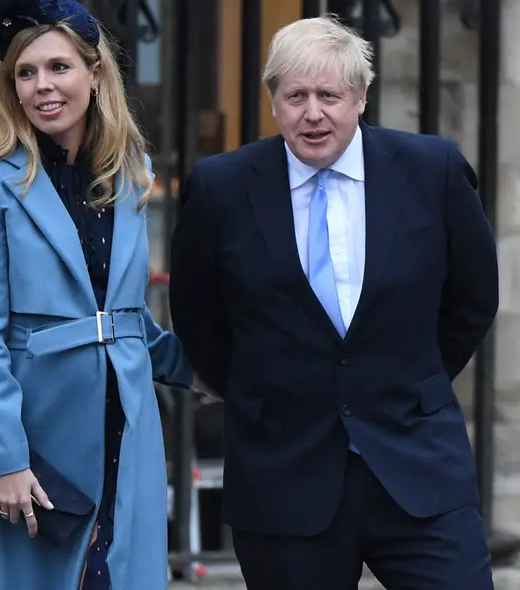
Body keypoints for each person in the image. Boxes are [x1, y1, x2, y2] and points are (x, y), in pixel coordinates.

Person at [169, 16, 499, 590]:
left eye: (330, 95)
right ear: (273, 101)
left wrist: (406, 379)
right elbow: (200, 318)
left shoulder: (432, 171)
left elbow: (472, 299)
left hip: (415, 465)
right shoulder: (221, 188)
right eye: (296, 96)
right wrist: (266, 391)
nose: (313, 113)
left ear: (361, 97)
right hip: (284, 477)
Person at [0, 1, 192, 588]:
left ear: (95, 75)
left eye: (59, 67)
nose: (43, 85)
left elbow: (128, 321)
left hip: (125, 424)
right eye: (26, 72)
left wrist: (221, 365)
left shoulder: (131, 172)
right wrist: (5, 457)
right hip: (32, 432)